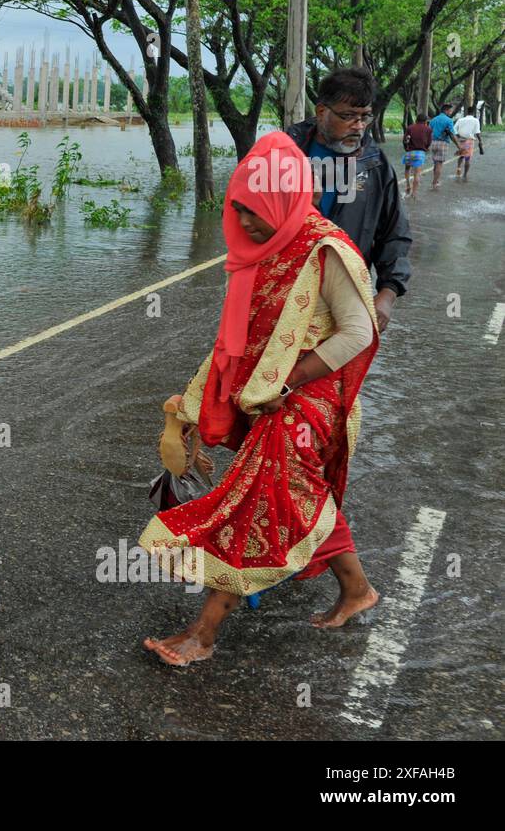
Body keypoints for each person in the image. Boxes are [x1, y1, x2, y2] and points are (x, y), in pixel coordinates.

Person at [140, 131, 382, 666]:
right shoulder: (255, 253)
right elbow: (237, 340)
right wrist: (194, 404)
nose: (245, 222)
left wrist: (287, 382)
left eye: (256, 210)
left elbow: (357, 333)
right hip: (269, 394)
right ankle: (357, 589)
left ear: (287, 196)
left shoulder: (327, 250)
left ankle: (203, 633)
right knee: (298, 498)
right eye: (238, 208)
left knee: (261, 500)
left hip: (311, 398)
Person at [286, 67, 411, 332]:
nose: (359, 126)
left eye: (365, 116)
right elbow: (247, 218)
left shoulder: (374, 164)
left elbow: (394, 233)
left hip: (344, 293)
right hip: (285, 291)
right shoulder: (285, 154)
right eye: (348, 116)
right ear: (322, 112)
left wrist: (387, 294)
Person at [401, 113, 432, 199]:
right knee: (417, 174)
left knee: (407, 169)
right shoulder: (428, 129)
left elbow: (404, 140)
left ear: (416, 119)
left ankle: (407, 185)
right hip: (420, 153)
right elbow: (429, 142)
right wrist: (425, 148)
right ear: (425, 121)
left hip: (409, 152)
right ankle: (414, 194)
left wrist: (406, 149)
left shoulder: (410, 127)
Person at [427, 102, 457, 189]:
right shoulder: (449, 120)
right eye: (450, 111)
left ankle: (435, 180)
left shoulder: (433, 120)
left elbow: (428, 133)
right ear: (446, 110)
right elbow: (452, 135)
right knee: (439, 164)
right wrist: (459, 146)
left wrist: (427, 145)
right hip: (443, 143)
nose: (451, 112)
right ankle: (434, 183)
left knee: (435, 163)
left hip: (433, 143)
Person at [453, 108, 484, 182]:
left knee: (461, 155)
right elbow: (477, 132)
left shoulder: (461, 120)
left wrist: (458, 136)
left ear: (467, 112)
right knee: (467, 158)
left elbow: (454, 129)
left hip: (461, 140)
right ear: (473, 113)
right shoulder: (475, 120)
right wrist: (480, 141)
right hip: (469, 141)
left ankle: (458, 168)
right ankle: (465, 175)